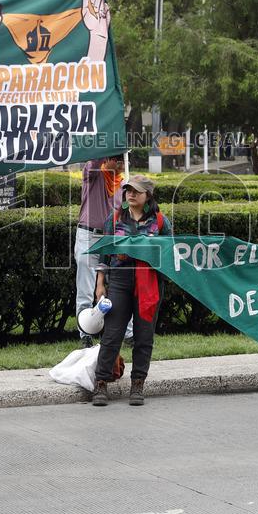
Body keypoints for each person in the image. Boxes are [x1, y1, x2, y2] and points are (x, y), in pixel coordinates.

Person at [91, 175, 172, 406]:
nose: (130, 194)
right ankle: (101, 384)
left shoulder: (160, 221)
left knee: (144, 335)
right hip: (119, 281)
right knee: (112, 334)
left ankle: (138, 385)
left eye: (136, 191)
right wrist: (100, 284)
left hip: (149, 283)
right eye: (128, 190)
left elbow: (169, 254)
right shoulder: (115, 218)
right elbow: (104, 254)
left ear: (148, 195)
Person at [75, 156, 124, 348]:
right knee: (86, 288)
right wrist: (106, 145)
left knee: (116, 287)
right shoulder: (93, 173)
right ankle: (84, 332)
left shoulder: (122, 184)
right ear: (107, 160)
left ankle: (122, 332)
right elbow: (94, 161)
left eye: (123, 162)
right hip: (88, 235)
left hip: (110, 238)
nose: (121, 166)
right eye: (117, 161)